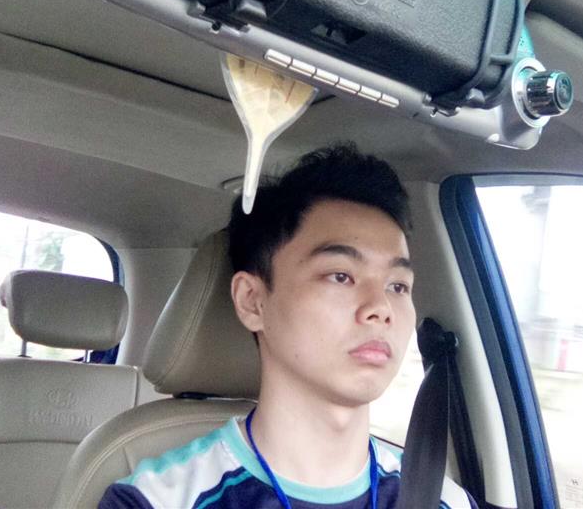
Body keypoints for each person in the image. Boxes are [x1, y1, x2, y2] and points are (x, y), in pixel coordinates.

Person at [99, 144, 477, 508]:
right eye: (341, 276)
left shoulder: (445, 501)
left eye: (397, 286)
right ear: (252, 301)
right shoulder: (155, 501)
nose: (381, 308)